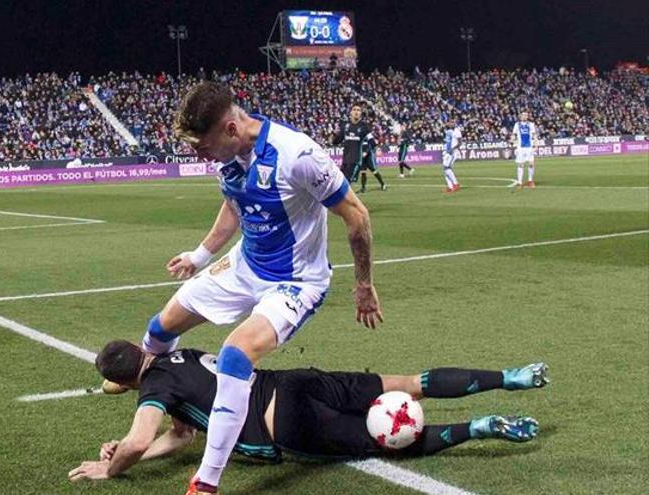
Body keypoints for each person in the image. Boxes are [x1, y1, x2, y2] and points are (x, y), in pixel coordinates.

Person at [129, 82, 382, 495]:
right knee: (159, 328)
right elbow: (233, 204)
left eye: (203, 145)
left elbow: (356, 215)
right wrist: (200, 255)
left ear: (230, 129)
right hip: (244, 266)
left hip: (295, 281)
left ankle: (206, 482)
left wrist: (364, 284)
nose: (200, 154)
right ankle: (169, 415)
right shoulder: (228, 156)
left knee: (233, 355)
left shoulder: (297, 154)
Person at [69, 341, 547, 484]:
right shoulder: (185, 357)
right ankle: (510, 375)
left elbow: (138, 440)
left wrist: (111, 468)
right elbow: (182, 436)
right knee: (407, 384)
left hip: (287, 425)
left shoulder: (155, 386)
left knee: (391, 435)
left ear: (131, 379)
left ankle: (481, 427)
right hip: (294, 381)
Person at [331, 105, 387, 193]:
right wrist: (333, 138)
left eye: (358, 110)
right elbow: (338, 140)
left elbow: (371, 141)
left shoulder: (364, 127)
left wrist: (376, 148)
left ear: (361, 113)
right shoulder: (345, 125)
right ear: (351, 112)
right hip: (345, 159)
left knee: (347, 183)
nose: (356, 112)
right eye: (354, 110)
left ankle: (347, 203)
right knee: (341, 182)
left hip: (356, 160)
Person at [511, 111, 538, 188]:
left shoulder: (530, 124)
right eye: (523, 115)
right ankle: (519, 182)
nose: (525, 116)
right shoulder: (517, 125)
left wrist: (536, 145)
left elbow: (534, 135)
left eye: (526, 115)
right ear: (520, 116)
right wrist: (512, 141)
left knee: (531, 163)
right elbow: (514, 135)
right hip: (520, 148)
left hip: (529, 147)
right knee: (520, 164)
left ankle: (530, 181)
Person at [442, 121, 462, 193]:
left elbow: (460, 142)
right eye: (449, 123)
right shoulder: (449, 131)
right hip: (448, 152)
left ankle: (456, 184)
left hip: (453, 152)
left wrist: (453, 149)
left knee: (446, 168)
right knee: (445, 169)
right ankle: (450, 187)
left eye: (452, 123)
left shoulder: (457, 131)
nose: (450, 124)